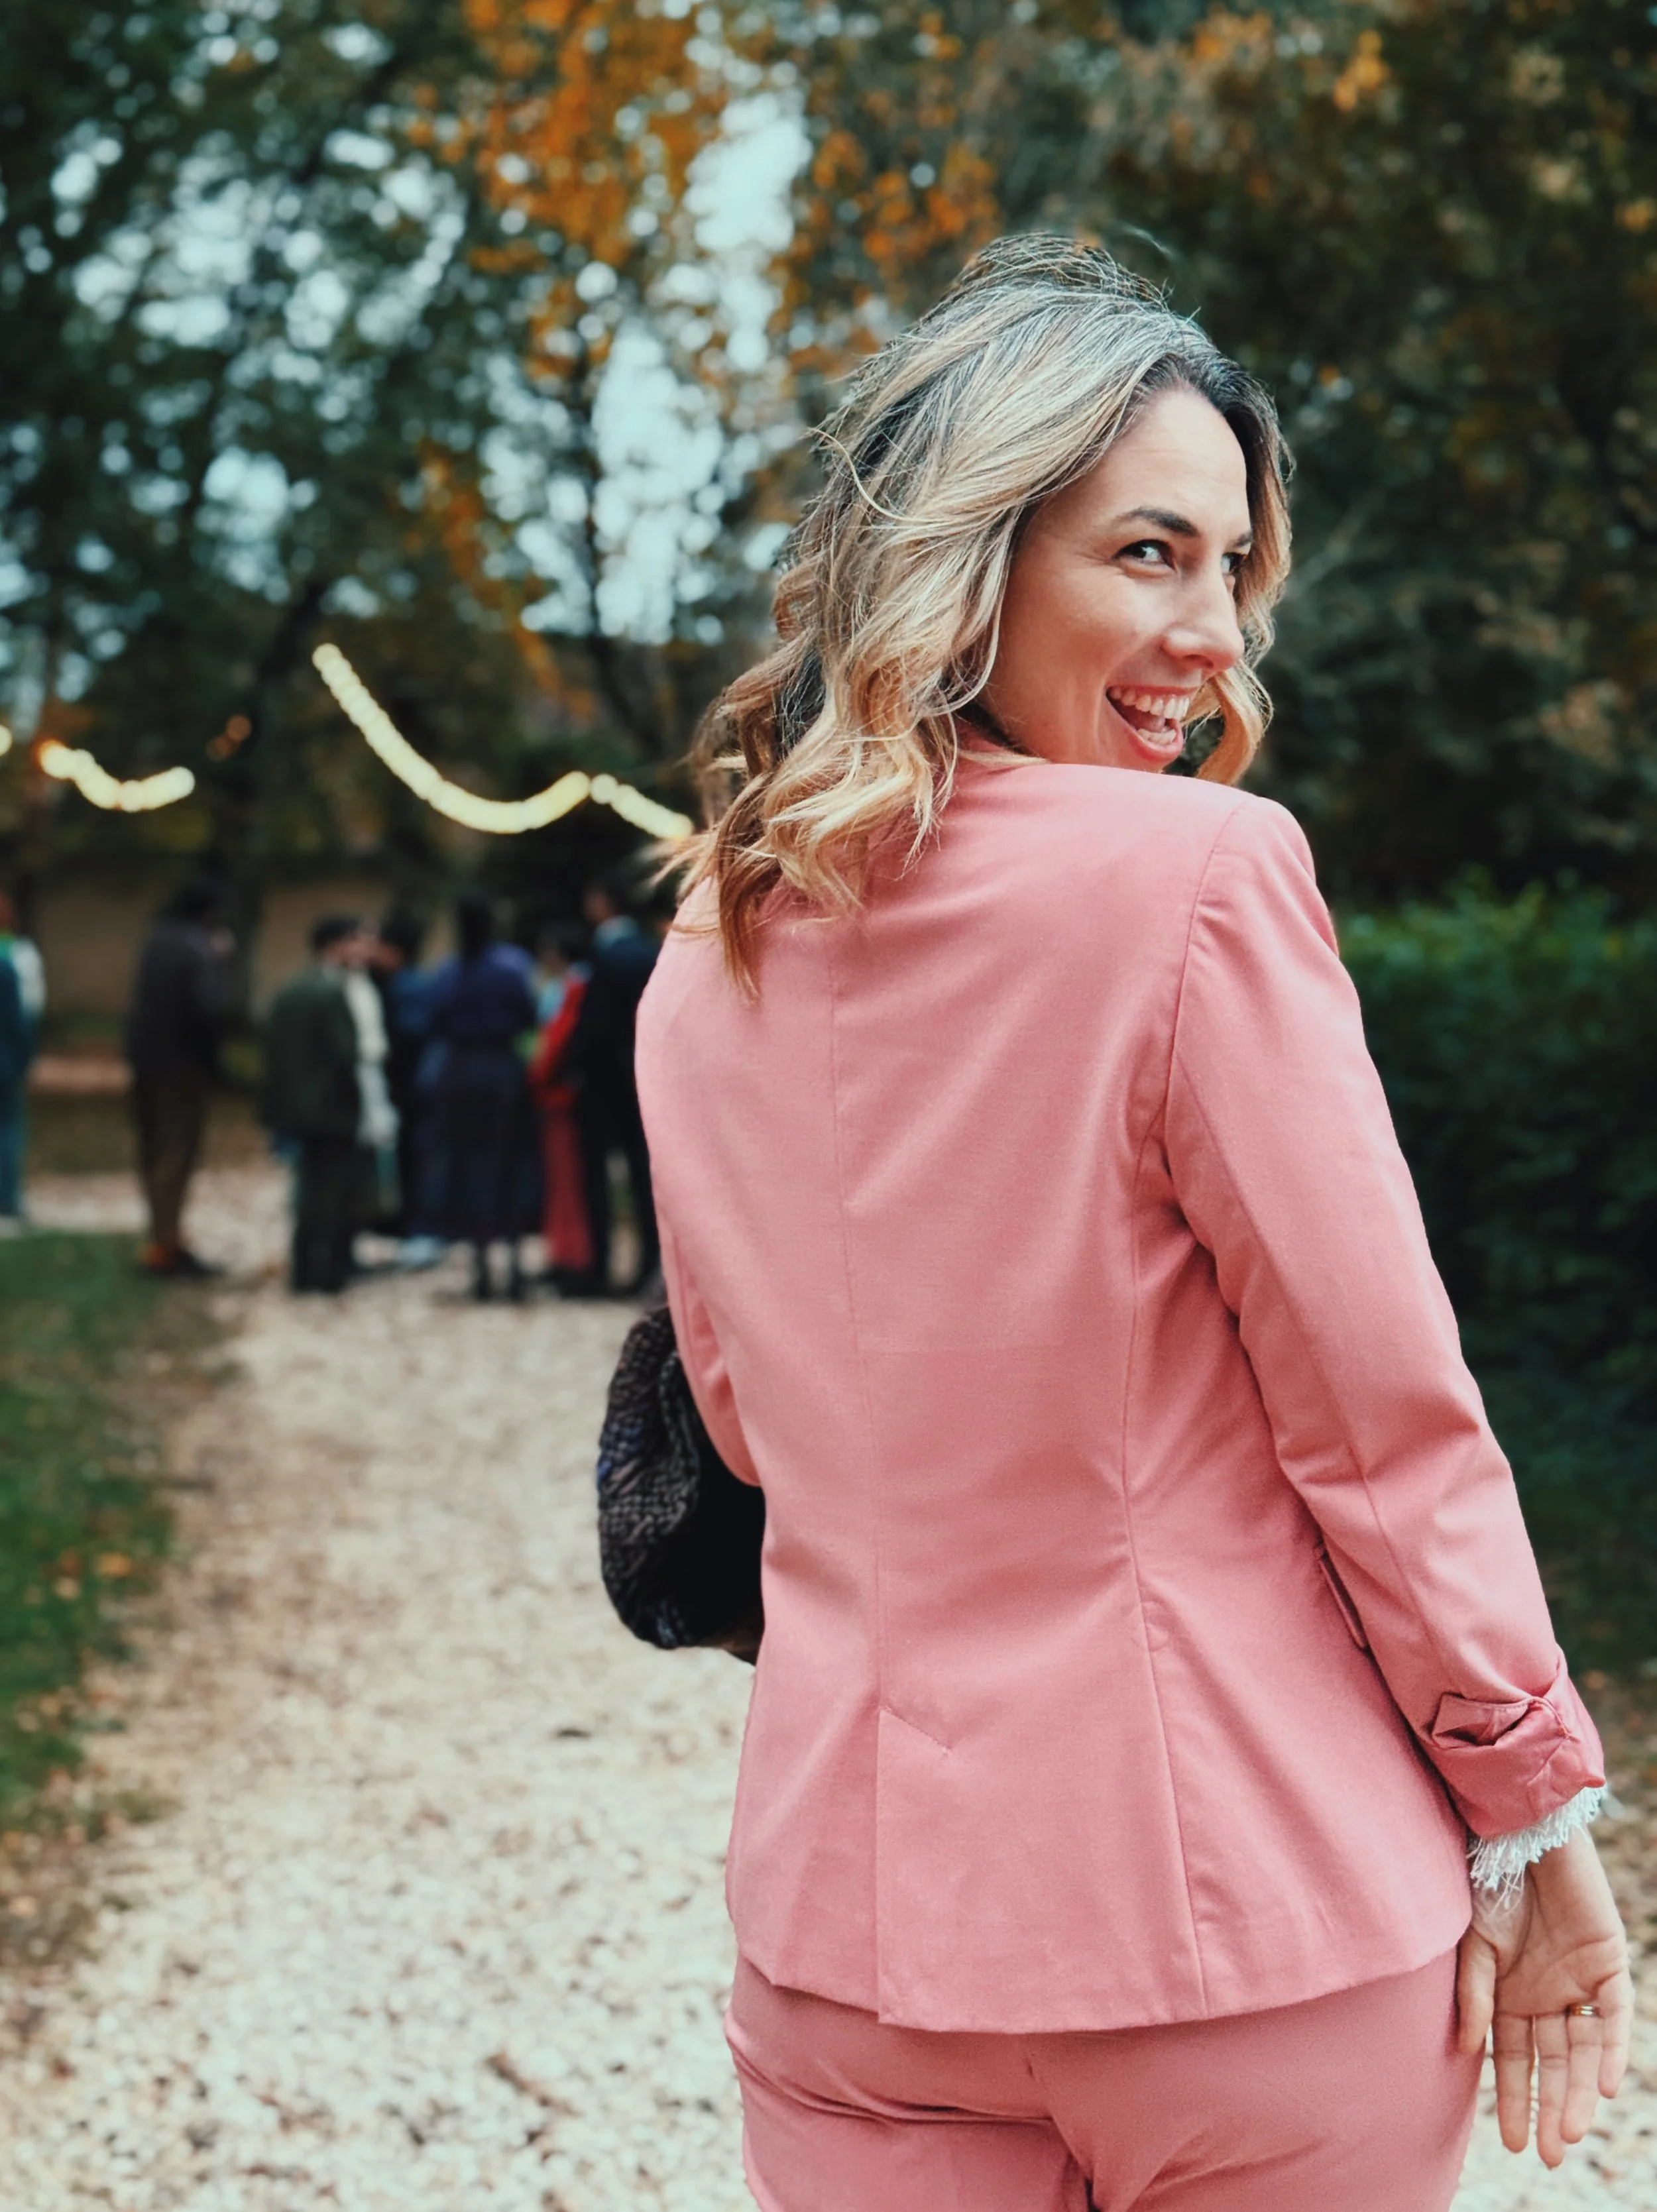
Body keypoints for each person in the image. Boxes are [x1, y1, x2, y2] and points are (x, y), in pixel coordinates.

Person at [634, 237, 1631, 2212]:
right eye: (1147, 556)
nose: (1211, 639)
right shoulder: (1200, 878)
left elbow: (743, 1424)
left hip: (850, 1946)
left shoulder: (708, 936)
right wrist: (1534, 1811)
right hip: (1235, 1927)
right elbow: (1379, 1421)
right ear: (972, 557)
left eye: (1229, 571)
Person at [420, 891, 541, 1301]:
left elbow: (434, 1019)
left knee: (468, 1165)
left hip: (458, 1075)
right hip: (503, 1074)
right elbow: (529, 1014)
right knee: (510, 1162)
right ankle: (515, 1266)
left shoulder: (449, 971)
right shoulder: (511, 967)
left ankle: (480, 1268)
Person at [125, 879, 234, 1277]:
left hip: (146, 1061)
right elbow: (209, 1008)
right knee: (175, 1154)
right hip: (182, 1067)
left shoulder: (158, 940)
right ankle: (165, 1246)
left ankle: (162, 1238)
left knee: (154, 1152)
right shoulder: (199, 947)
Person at [260, 916, 372, 1294]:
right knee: (333, 1192)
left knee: (307, 1190)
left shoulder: (289, 989)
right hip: (332, 1109)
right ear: (334, 945)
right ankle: (328, 1270)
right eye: (355, 941)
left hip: (296, 1108)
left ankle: (305, 1268)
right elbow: (347, 1052)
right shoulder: (332, 992)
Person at [567, 870, 659, 1297]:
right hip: (643, 1078)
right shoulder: (650, 950)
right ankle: (649, 1266)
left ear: (603, 902)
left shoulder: (604, 956)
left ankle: (600, 1266)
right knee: (644, 1175)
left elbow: (593, 1027)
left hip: (603, 1083)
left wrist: (569, 1065)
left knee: (597, 1178)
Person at [527, 923, 593, 1288]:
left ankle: (571, 1254)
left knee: (567, 1181)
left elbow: (553, 1042)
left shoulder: (570, 989)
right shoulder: (571, 987)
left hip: (560, 1097)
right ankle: (566, 1251)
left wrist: (536, 1074)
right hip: (563, 1095)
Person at [0, 893, 37, 1231]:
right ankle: (8, 1199)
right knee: (8, 1128)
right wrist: (27, 1056)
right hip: (5, 1063)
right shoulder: (8, 961)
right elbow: (16, 1019)